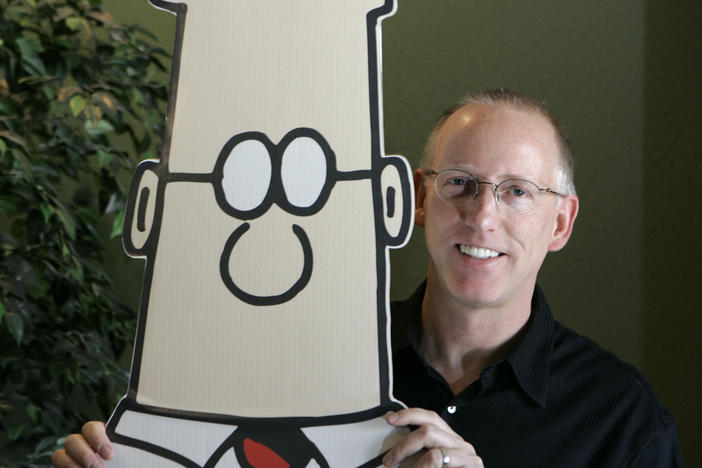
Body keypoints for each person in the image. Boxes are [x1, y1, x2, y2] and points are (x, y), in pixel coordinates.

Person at [52, 89, 681, 467]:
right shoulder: (304, 362)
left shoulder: (623, 421)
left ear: (561, 223)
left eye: (518, 192)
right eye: (458, 183)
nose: (482, 216)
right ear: (415, 200)